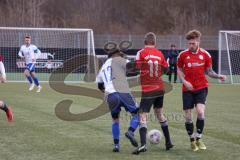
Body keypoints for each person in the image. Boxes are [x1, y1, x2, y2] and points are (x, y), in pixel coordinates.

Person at [177, 30, 226, 151]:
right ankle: (192, 140)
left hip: (201, 87)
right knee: (188, 116)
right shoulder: (182, 55)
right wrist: (184, 81)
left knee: (200, 112)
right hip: (187, 89)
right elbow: (178, 69)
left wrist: (218, 76)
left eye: (193, 43)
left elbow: (209, 71)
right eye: (189, 43)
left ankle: (199, 138)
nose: (190, 45)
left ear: (198, 42)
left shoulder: (205, 55)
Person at [132, 32, 173, 155]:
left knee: (142, 115)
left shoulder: (141, 53)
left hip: (148, 89)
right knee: (159, 113)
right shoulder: (160, 53)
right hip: (160, 87)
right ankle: (168, 142)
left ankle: (143, 144)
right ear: (155, 43)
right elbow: (167, 70)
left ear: (145, 42)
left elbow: (136, 67)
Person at [96, 42, 139, 152]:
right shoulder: (120, 60)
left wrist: (107, 92)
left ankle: (116, 145)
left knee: (115, 120)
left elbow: (100, 85)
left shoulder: (103, 67)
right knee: (138, 114)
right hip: (123, 92)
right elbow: (134, 69)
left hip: (111, 95)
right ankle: (130, 131)